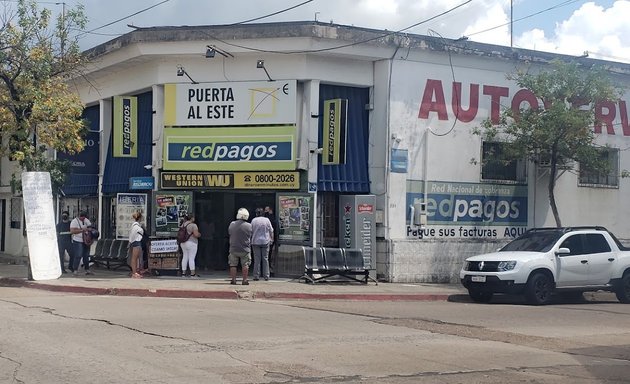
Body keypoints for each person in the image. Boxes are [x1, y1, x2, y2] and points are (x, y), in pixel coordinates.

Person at [228, 208, 252, 285]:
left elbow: (229, 232)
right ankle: (244, 280)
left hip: (233, 248)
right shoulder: (249, 226)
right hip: (245, 248)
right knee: (245, 265)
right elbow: (250, 235)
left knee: (233, 265)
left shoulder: (232, 224)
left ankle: (233, 280)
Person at [251, 208, 273, 281]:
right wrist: (271, 239)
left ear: (256, 214)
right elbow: (271, 230)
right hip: (265, 241)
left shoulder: (253, 220)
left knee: (257, 259)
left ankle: (256, 276)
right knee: (265, 259)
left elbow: (251, 231)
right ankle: (266, 276)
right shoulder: (267, 220)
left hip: (255, 241)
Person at [69, 210, 94, 276]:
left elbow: (90, 227)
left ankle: (87, 269)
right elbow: (72, 231)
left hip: (86, 240)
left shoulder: (86, 220)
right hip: (77, 240)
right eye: (82, 217)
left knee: (86, 255)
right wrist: (82, 230)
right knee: (78, 255)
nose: (83, 218)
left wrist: (89, 229)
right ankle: (75, 270)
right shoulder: (74, 221)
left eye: (84, 217)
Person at [180, 213, 201, 277]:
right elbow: (196, 234)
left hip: (183, 243)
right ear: (192, 218)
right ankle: (192, 273)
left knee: (185, 257)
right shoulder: (193, 225)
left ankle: (183, 273)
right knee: (191, 258)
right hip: (192, 243)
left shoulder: (183, 224)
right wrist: (200, 235)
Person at [128, 211, 145, 278]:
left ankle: (135, 272)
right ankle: (134, 272)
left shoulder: (135, 226)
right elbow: (133, 236)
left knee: (136, 258)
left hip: (135, 242)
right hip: (136, 242)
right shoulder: (136, 227)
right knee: (134, 258)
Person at [264, 205, 278, 274]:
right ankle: (269, 269)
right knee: (268, 255)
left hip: (269, 238)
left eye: (266, 209)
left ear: (270, 209)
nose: (265, 211)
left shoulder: (269, 218)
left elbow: (272, 229)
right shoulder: (272, 217)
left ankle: (267, 269)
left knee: (268, 255)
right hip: (271, 238)